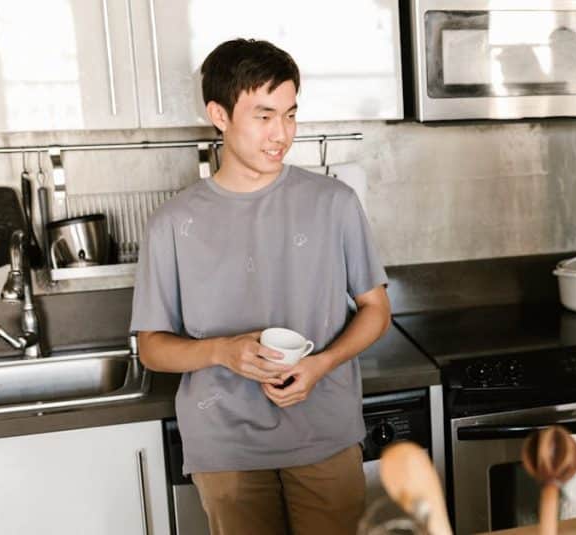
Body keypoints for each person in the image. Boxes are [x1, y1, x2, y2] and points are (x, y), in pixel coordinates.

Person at [130, 38, 390, 535]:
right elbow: (152, 349)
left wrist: (321, 364)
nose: (282, 134)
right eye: (264, 116)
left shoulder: (334, 202)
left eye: (290, 115)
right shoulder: (172, 222)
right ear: (219, 115)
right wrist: (223, 353)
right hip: (225, 449)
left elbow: (375, 308)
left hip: (324, 436)